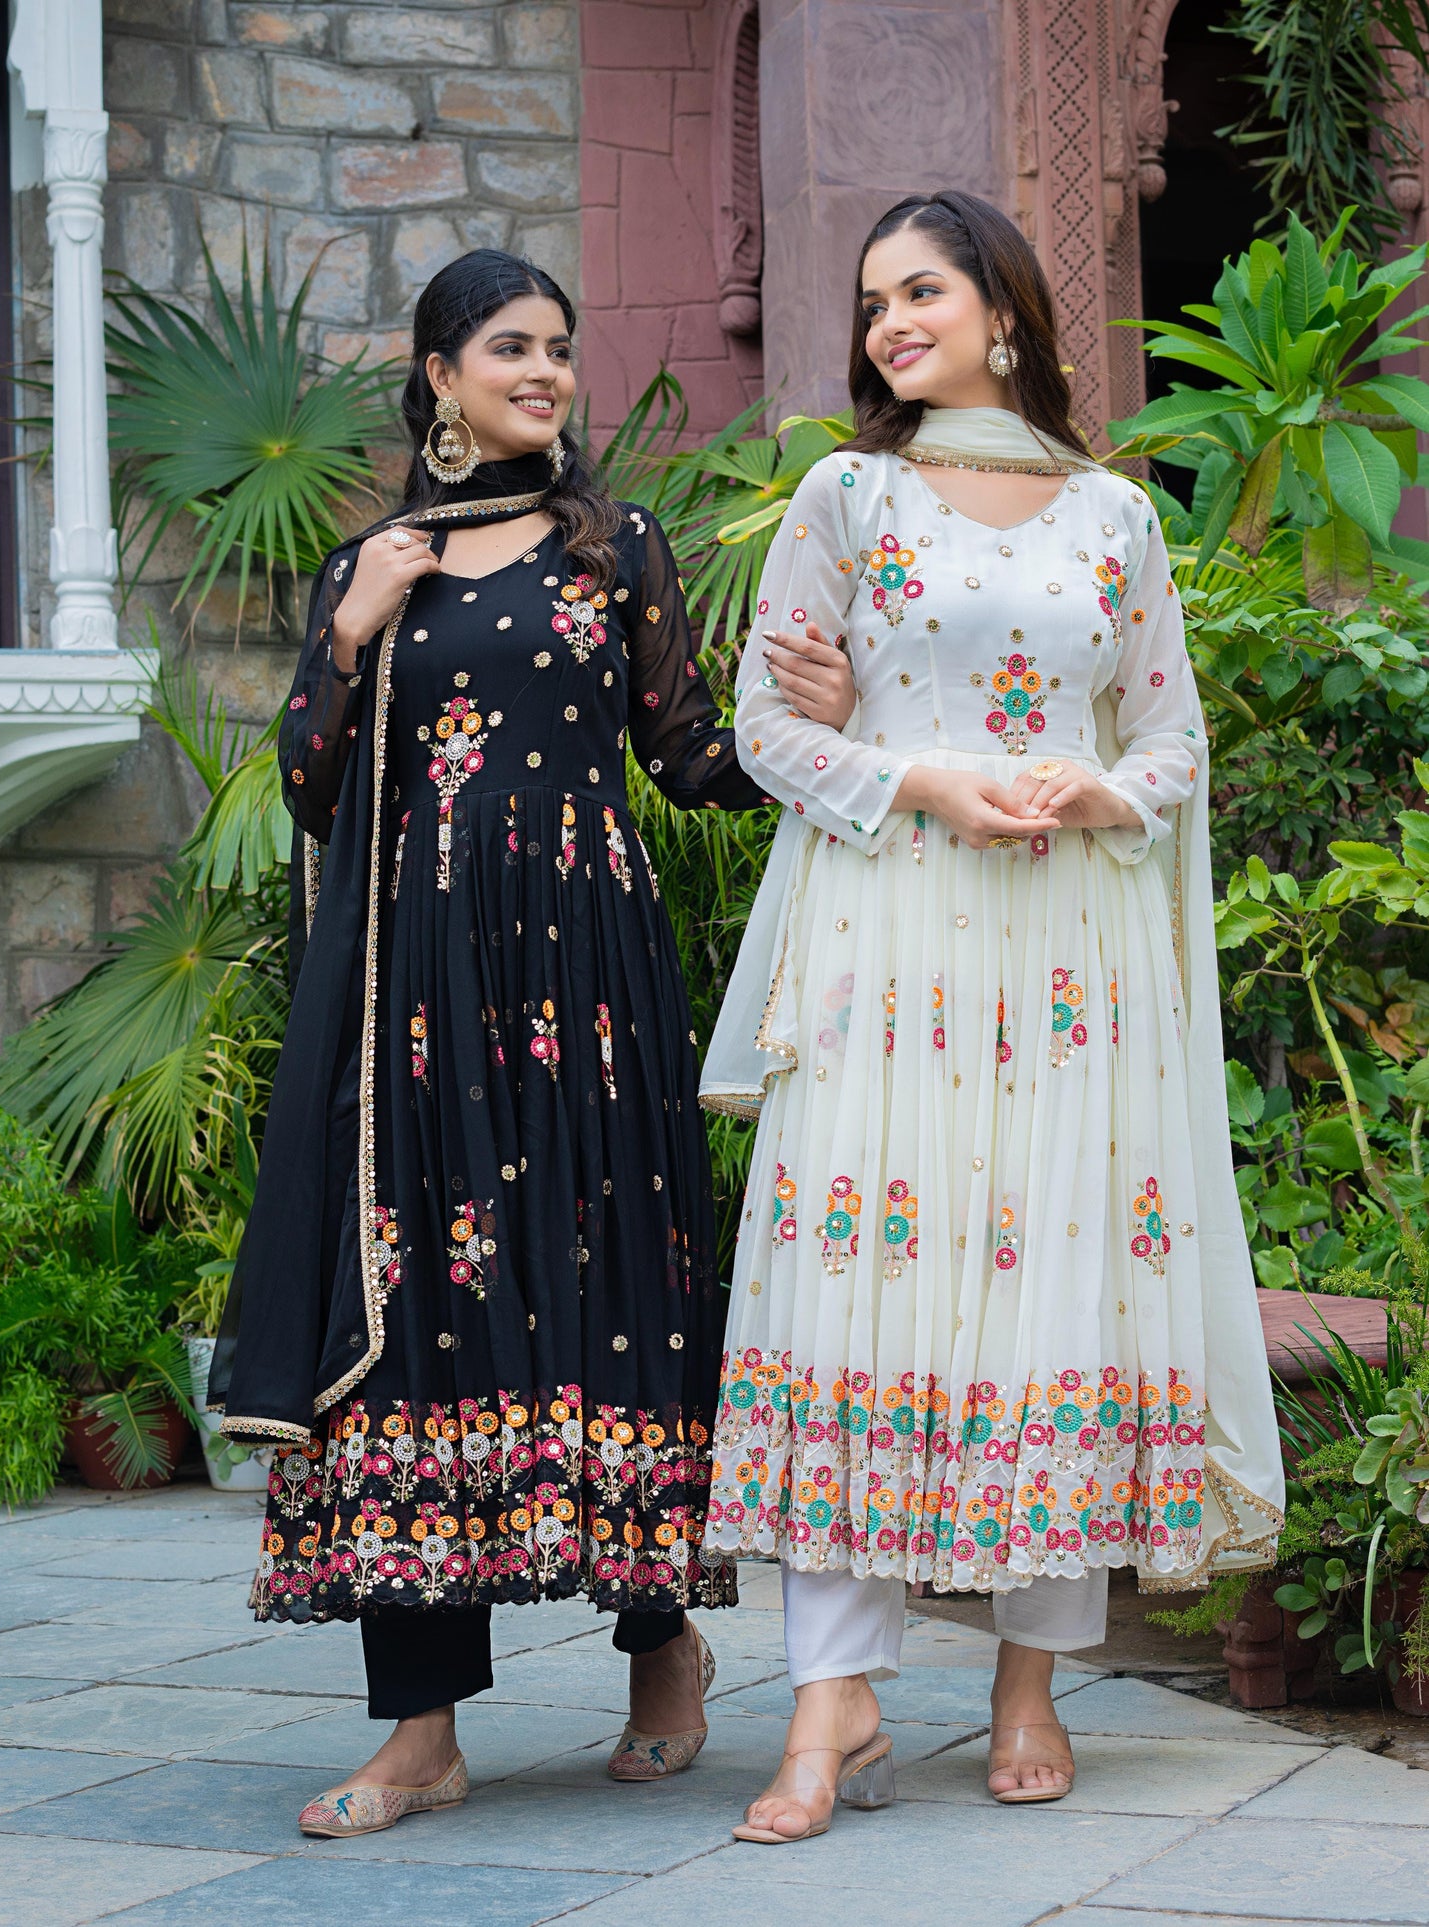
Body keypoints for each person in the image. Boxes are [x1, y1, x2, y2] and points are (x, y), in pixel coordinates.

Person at [206, 249, 856, 1838]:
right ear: (438, 374)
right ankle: (421, 1728)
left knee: (607, 1288)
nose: (546, 371)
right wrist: (349, 636)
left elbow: (688, 753)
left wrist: (825, 730)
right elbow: (310, 789)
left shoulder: (611, 546)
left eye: (559, 346)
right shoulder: (372, 564)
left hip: (588, 973)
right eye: (510, 346)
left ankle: (659, 1644)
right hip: (421, 986)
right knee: (418, 1309)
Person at [699, 190, 1284, 1843]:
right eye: (872, 302)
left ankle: (1030, 1686)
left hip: (1068, 951)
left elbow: (1170, 739)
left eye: (921, 293)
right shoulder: (846, 493)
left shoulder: (1115, 515)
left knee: (1056, 1284)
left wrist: (1100, 790)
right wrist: (923, 778)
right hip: (888, 933)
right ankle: (827, 1700)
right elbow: (764, 728)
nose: (888, 323)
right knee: (856, 1288)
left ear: (1004, 312)